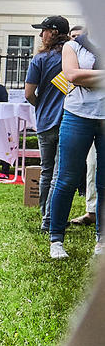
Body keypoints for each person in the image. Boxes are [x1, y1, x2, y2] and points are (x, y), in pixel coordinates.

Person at [46, 33, 104, 259]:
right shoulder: (73, 46)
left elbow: (80, 76)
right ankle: (56, 239)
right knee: (66, 179)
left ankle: (101, 241)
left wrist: (87, 77)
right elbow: (71, 75)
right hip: (77, 116)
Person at [26, 16, 71, 227]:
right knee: (60, 172)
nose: (40, 35)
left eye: (43, 30)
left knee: (46, 170)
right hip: (69, 119)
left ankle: (46, 214)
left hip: (45, 120)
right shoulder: (73, 56)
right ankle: (50, 219)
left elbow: (28, 94)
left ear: (53, 32)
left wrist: (41, 105)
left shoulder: (39, 59)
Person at [69, 25, 98, 227]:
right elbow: (73, 79)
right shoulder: (77, 48)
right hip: (89, 113)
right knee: (93, 165)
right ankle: (93, 211)